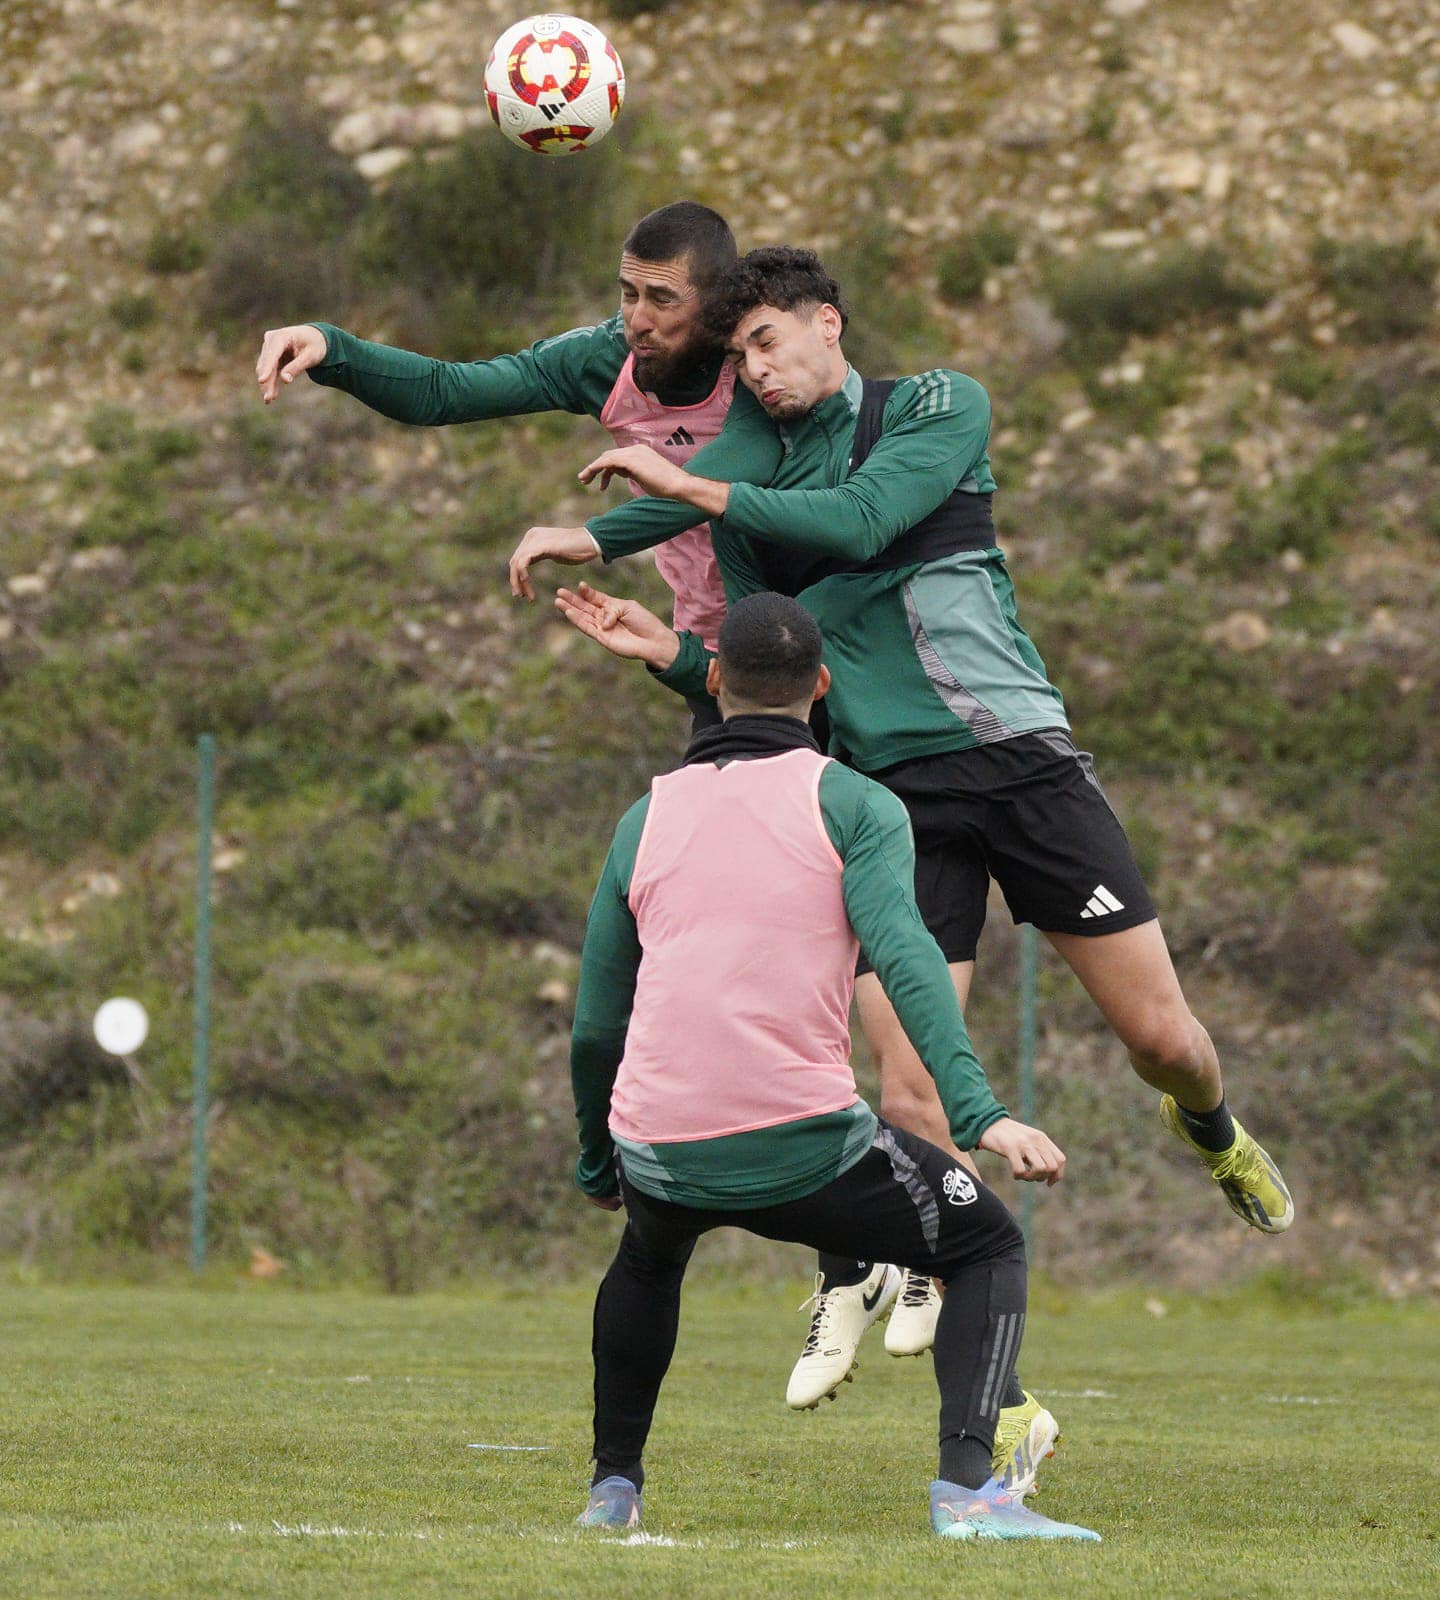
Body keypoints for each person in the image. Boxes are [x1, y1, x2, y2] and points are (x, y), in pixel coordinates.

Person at [524, 246, 1295, 1398]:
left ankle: (1217, 1130)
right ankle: (954, 1337)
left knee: (1163, 1042)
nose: (758, 373)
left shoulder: (936, 405)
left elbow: (862, 515)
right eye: (739, 359)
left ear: (827, 323)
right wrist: (646, 617)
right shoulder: (757, 468)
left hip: (1022, 765)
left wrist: (675, 494)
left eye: (769, 344)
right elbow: (767, 667)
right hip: (895, 799)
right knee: (906, 1089)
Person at [255, 207, 979, 1375]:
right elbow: (448, 388)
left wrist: (596, 533)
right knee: (758, 970)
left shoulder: (759, 376)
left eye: (662, 300)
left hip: (825, 666)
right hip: (720, 680)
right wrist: (332, 348)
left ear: (722, 305)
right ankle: (859, 1253)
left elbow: (748, 478)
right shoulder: (605, 358)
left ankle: (925, 1254)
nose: (637, 319)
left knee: (879, 979)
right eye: (626, 292)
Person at [570, 590, 1098, 1543]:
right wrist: (981, 1117)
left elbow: (595, 1024)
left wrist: (597, 1155)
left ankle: (614, 1490)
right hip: (805, 1150)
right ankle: (970, 1494)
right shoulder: (857, 802)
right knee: (986, 1244)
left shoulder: (643, 816)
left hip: (659, 1144)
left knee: (648, 1256)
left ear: (716, 680)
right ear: (821, 688)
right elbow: (907, 962)